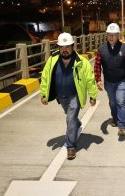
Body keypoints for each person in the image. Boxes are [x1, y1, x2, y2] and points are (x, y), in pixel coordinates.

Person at [40, 32, 98, 160]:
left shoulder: (82, 62)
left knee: (70, 119)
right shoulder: (52, 60)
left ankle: (71, 147)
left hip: (74, 96)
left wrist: (93, 96)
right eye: (61, 47)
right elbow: (45, 77)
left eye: (67, 47)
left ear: (73, 47)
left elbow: (90, 79)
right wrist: (44, 94)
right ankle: (76, 123)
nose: (64, 50)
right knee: (71, 118)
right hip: (61, 96)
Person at [94, 23, 125, 136]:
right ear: (106, 35)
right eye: (109, 35)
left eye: (114, 35)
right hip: (108, 81)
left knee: (120, 101)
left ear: (118, 35)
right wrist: (98, 79)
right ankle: (115, 118)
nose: (111, 37)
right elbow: (97, 65)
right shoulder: (101, 49)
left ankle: (121, 125)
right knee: (113, 102)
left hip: (122, 80)